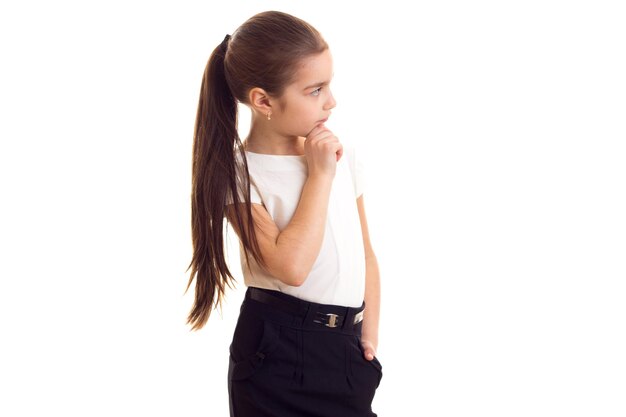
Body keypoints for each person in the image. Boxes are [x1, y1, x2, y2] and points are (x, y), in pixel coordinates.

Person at [185, 10, 382, 417]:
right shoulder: (239, 173)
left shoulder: (341, 156)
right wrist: (320, 175)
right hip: (278, 352)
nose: (331, 101)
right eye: (315, 90)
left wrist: (368, 337)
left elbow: (364, 253)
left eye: (329, 85)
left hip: (343, 351)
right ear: (263, 101)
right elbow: (291, 267)